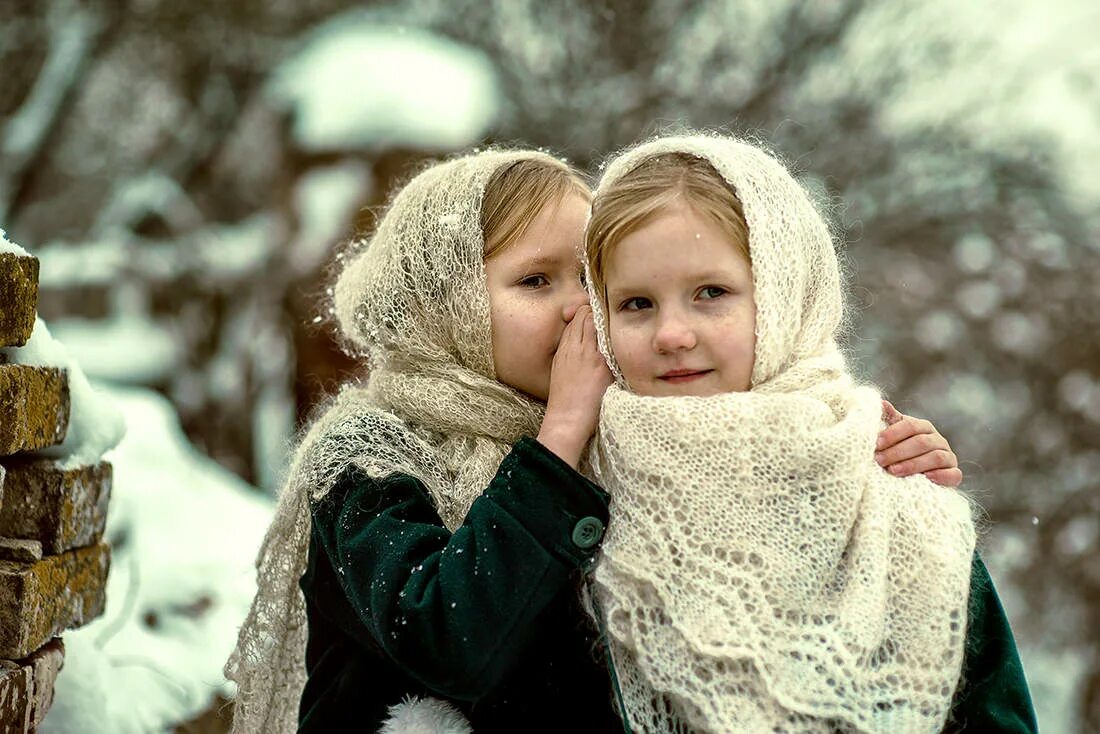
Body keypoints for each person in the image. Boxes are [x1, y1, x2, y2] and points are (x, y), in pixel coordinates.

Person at [224, 147, 966, 733]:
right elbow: (450, 637)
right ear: (441, 304)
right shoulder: (371, 454)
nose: (581, 307)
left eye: (590, 276)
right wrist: (558, 438)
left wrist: (849, 456)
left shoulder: (618, 439)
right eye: (536, 281)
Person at [583, 134, 1038, 733]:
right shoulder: (576, 487)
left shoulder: (888, 484)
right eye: (637, 303)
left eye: (711, 294)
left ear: (784, 294)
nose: (671, 334)